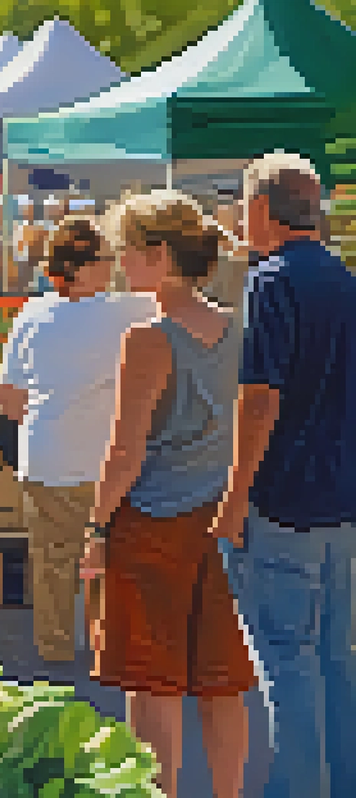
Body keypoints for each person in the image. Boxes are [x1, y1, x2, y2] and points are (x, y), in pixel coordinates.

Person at [79, 190, 253, 798]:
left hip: (154, 524)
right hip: (229, 520)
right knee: (223, 680)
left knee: (152, 684)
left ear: (158, 254)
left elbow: (124, 454)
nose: (121, 262)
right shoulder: (240, 329)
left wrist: (96, 529)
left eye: (127, 250)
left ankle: (158, 793)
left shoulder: (149, 340)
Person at [208, 153, 356, 798]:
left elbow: (260, 398)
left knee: (285, 660)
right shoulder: (346, 280)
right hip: (341, 501)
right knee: (332, 661)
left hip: (284, 500)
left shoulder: (270, 280)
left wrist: (235, 496)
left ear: (263, 209)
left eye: (244, 206)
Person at [0, 217, 158, 663]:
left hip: (46, 455)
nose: (113, 267)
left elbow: (7, 399)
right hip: (109, 460)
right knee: (110, 558)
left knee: (52, 561)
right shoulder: (131, 310)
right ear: (83, 268)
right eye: (106, 260)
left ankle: (55, 649)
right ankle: (104, 647)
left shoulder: (31, 314)